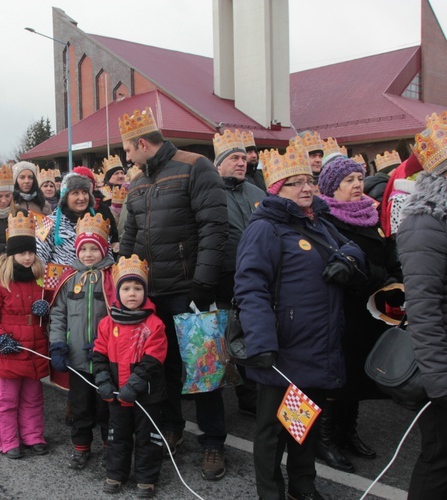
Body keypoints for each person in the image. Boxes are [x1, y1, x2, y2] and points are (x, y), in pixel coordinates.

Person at [234, 145, 365, 500]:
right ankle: (271, 493)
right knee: (272, 432)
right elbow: (250, 287)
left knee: (302, 424)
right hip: (281, 348)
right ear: (277, 189)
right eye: (295, 183)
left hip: (315, 344)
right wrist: (262, 343)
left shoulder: (317, 222)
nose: (306, 189)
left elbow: (352, 247)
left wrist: (347, 262)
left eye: (309, 181)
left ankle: (303, 487)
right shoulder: (265, 229)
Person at [117, 107, 228, 478]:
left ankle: (213, 442)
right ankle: (172, 427)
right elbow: (129, 238)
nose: (127, 157)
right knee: (162, 367)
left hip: (188, 288)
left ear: (143, 143)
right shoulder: (136, 182)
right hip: (152, 295)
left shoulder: (196, 166)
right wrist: (124, 282)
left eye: (128, 150)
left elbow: (214, 227)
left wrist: (203, 282)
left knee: (203, 366)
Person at [316, 156, 403, 471]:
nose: (357, 185)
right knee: (335, 377)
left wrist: (395, 276)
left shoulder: (371, 215)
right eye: (348, 181)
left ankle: (347, 432)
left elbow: (387, 254)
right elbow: (347, 269)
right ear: (331, 188)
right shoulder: (326, 220)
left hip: (370, 311)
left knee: (356, 376)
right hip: (341, 309)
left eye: (358, 178)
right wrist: (381, 276)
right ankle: (325, 440)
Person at [397, 115, 447, 499]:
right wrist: (441, 385)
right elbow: (425, 310)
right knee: (438, 460)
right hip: (444, 368)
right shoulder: (425, 223)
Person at [93, 255, 167, 498]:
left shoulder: (154, 324)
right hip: (116, 394)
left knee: (148, 438)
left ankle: (146, 478)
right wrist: (103, 381)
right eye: (126, 288)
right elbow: (99, 356)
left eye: (137, 288)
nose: (132, 293)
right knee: (117, 436)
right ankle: (115, 473)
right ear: (117, 291)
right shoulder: (106, 323)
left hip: (145, 395)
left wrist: (134, 385)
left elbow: (153, 360)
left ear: (145, 292)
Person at [49, 213, 116, 469]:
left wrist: (103, 346)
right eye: (84, 249)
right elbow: (58, 314)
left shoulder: (111, 277)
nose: (88, 254)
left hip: (103, 359)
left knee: (106, 407)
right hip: (77, 358)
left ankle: (111, 446)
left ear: (104, 249)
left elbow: (118, 316)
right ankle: (81, 447)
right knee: (80, 407)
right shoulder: (69, 279)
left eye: (94, 249)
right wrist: (58, 344)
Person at [0, 213, 49, 459]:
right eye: (22, 253)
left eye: (31, 252)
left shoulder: (41, 279)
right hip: (9, 348)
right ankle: (8, 440)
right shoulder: (0, 282)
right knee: (7, 399)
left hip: (34, 349)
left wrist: (46, 309)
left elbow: (50, 306)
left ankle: (33, 435)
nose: (28, 257)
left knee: (32, 397)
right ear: (12, 255)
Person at [212, 130, 266, 416]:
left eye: (244, 158)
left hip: (257, 279)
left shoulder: (258, 193)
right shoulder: (208, 192)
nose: (242, 162)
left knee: (251, 336)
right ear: (218, 163)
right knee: (220, 340)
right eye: (234, 157)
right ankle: (214, 397)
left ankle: (250, 396)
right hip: (223, 279)